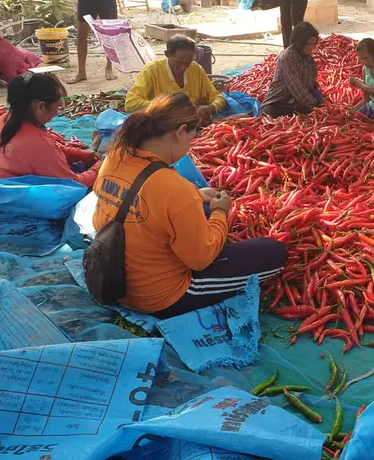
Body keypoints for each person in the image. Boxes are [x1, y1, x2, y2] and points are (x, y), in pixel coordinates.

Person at [92, 92, 287, 317]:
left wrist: (194, 194)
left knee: (193, 217)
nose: (190, 145)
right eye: (191, 137)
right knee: (275, 252)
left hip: (111, 277)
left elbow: (142, 195)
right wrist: (220, 213)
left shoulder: (115, 156)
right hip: (159, 297)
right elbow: (201, 259)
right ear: (180, 131)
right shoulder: (174, 187)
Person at [0, 73, 101, 186]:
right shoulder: (39, 144)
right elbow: (72, 185)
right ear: (41, 106)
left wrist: (84, 155)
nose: (59, 108)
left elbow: (52, 150)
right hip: (11, 197)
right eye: (58, 103)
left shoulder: (5, 118)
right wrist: (100, 167)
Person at [125, 35, 225, 125]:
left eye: (188, 62)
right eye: (179, 62)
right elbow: (130, 104)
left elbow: (217, 97)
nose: (183, 67)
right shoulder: (151, 70)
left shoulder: (196, 69)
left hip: (193, 124)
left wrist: (212, 108)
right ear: (167, 54)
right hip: (161, 125)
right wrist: (166, 108)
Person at [262, 22, 324, 118]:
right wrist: (318, 107)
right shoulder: (287, 58)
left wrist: (321, 99)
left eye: (314, 44)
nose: (312, 47)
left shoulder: (310, 60)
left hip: (296, 103)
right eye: (309, 44)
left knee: (305, 112)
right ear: (299, 42)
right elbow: (297, 88)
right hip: (278, 102)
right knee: (269, 117)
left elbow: (312, 85)